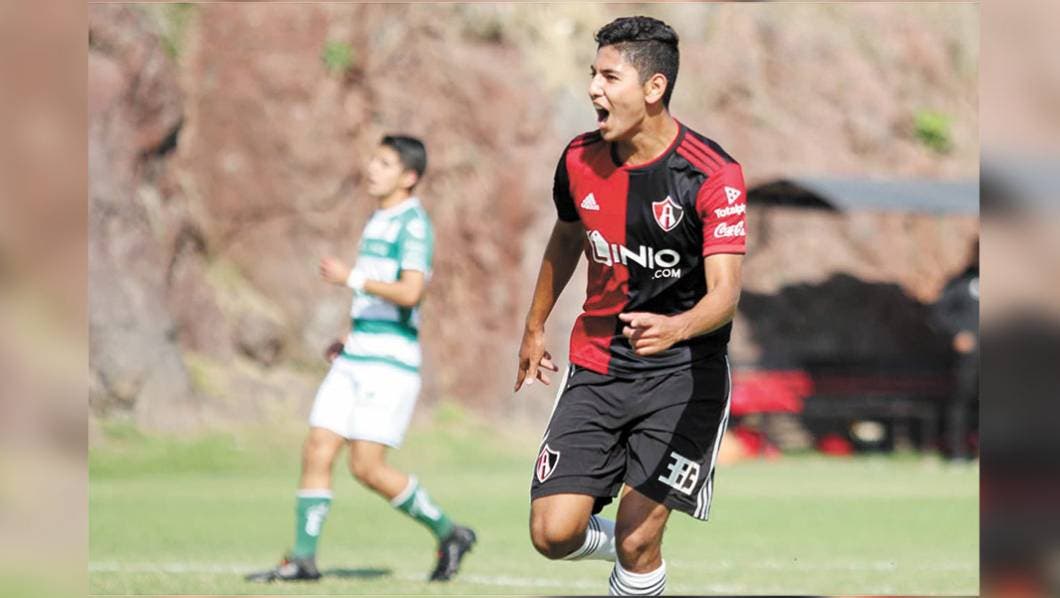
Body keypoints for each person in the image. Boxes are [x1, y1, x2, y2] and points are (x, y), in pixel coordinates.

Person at [514, 16, 747, 596]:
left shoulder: (712, 175)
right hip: (599, 366)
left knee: (639, 540)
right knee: (552, 534)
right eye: (593, 74)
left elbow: (725, 295)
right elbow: (567, 237)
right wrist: (535, 326)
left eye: (609, 77)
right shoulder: (578, 159)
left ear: (653, 88)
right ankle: (620, 542)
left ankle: (632, 550)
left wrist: (676, 328)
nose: (594, 88)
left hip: (683, 376)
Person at [247, 135, 476, 583]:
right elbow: (377, 294)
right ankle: (303, 559)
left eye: (385, 163)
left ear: (409, 177)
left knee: (366, 468)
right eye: (374, 160)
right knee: (318, 446)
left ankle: (449, 532)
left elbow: (411, 291)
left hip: (389, 364)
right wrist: (349, 336)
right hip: (357, 356)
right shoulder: (377, 219)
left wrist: (350, 278)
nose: (373, 168)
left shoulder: (413, 224)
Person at [932, 237, 979, 461]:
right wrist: (957, 333)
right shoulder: (961, 282)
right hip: (970, 356)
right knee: (962, 400)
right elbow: (939, 314)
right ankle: (958, 451)